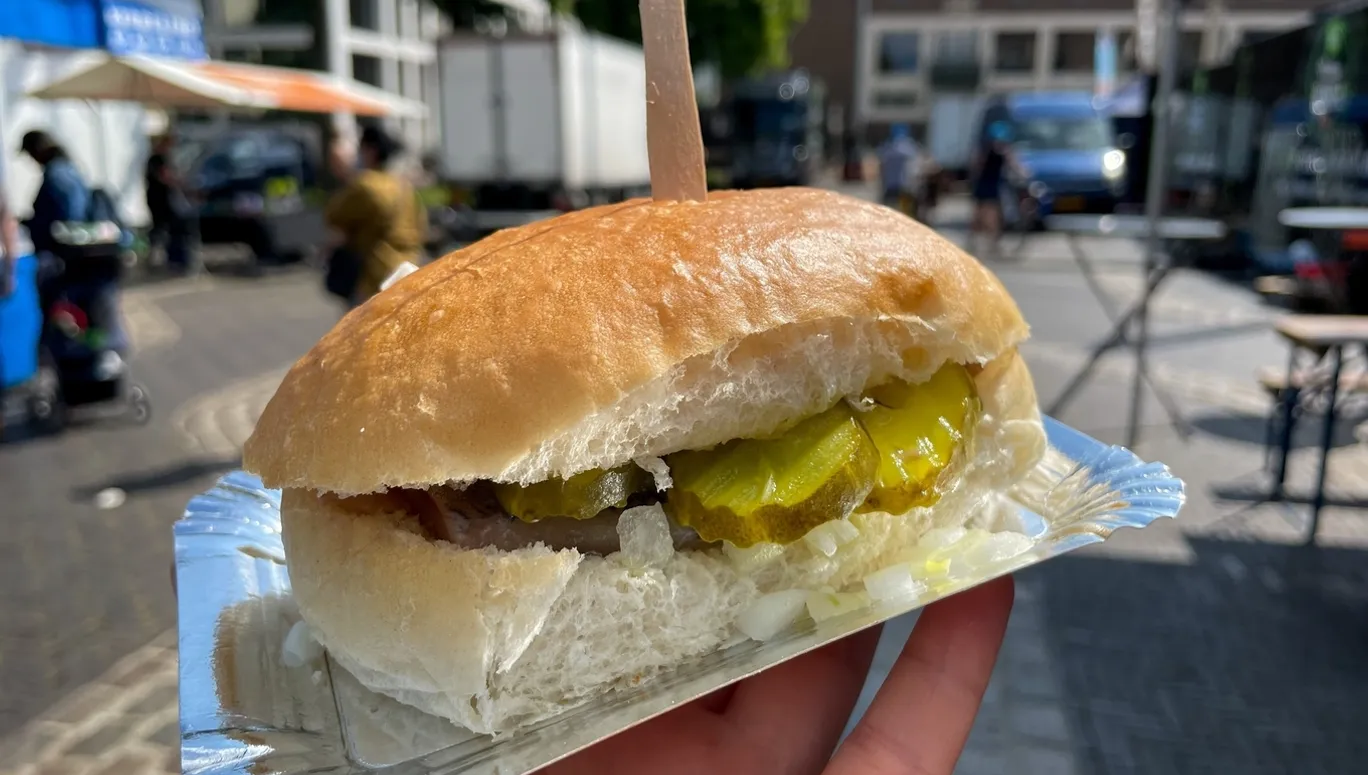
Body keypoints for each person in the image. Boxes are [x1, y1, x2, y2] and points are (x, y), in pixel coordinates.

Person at [323, 125, 427, 307]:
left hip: (374, 276)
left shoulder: (365, 185)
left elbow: (333, 216)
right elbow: (421, 225)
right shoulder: (404, 186)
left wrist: (345, 173)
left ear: (369, 151)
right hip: (408, 269)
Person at [145, 130, 199, 274]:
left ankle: (167, 258)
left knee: (166, 229)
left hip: (161, 199)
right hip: (160, 200)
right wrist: (182, 184)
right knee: (169, 228)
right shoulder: (157, 159)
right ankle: (170, 259)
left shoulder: (160, 159)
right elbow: (165, 177)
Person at [967, 120, 1020, 260]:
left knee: (980, 214)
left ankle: (974, 243)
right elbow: (1013, 164)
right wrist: (1023, 173)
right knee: (992, 216)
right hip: (991, 185)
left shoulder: (985, 149)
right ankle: (992, 244)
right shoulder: (1002, 150)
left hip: (984, 184)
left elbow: (976, 166)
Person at [877, 124, 921, 216]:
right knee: (906, 215)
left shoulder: (887, 148)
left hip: (889, 186)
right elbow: (916, 167)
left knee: (887, 213)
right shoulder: (909, 148)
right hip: (904, 187)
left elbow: (881, 167)